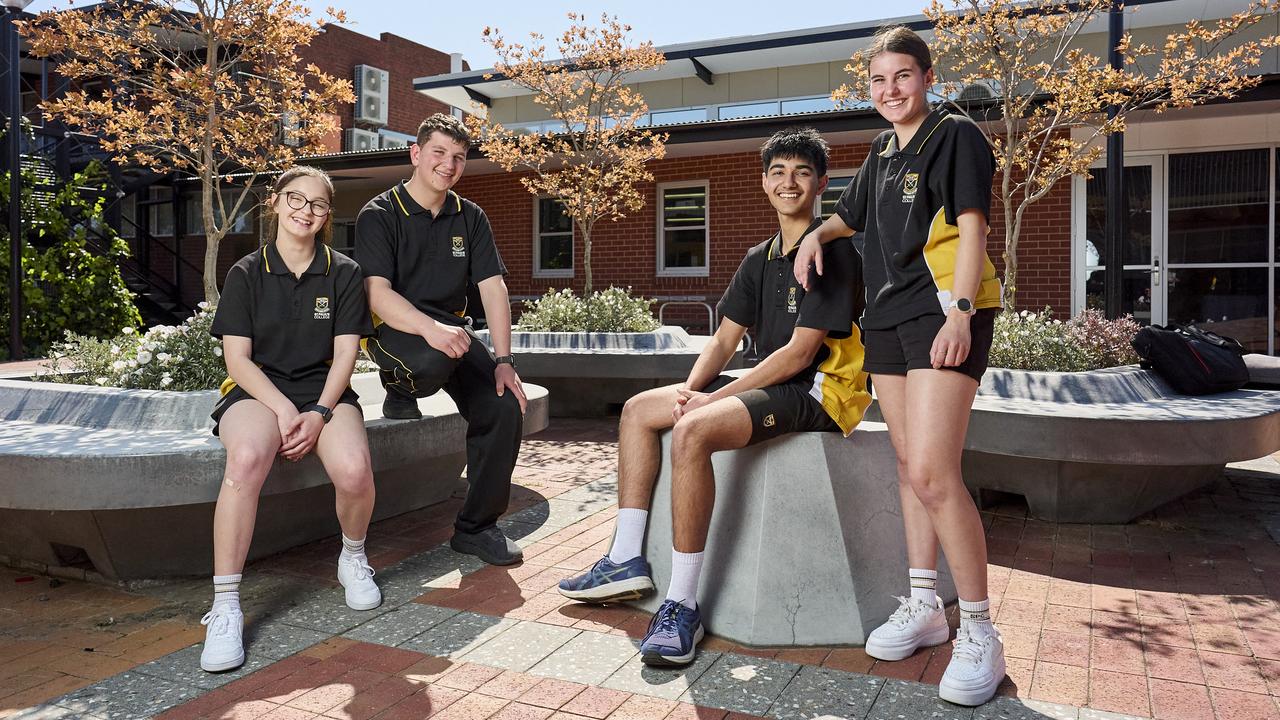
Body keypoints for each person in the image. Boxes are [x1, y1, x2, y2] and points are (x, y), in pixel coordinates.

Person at [557, 127, 871, 667]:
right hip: (773, 382)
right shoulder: (760, 257)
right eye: (778, 172)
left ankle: (681, 604)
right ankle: (626, 558)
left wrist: (702, 409)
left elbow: (799, 355)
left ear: (821, 184)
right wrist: (691, 390)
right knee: (638, 410)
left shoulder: (834, 252)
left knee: (693, 430)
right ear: (764, 183)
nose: (788, 182)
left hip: (822, 391)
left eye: (801, 172)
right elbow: (725, 340)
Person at [792, 26, 1006, 706]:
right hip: (884, 318)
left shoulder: (955, 135)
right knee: (910, 470)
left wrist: (962, 312)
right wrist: (812, 238)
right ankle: (924, 608)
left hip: (944, 311)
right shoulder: (883, 151)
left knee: (936, 473)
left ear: (927, 76)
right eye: (879, 81)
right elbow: (848, 219)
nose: (890, 90)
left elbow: (972, 226)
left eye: (903, 77)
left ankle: (979, 630)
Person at [201, 166, 378, 673]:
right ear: (274, 203)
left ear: (327, 215)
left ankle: (352, 555)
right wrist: (282, 409)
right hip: (258, 390)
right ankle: (226, 606)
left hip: (323, 389)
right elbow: (238, 361)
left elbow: (346, 355)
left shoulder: (343, 272)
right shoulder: (246, 273)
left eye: (318, 204)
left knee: (353, 471)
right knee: (249, 458)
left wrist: (320, 412)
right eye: (296, 199)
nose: (306, 211)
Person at [355, 113, 527, 566]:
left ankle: (477, 527)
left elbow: (493, 287)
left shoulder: (470, 217)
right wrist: (430, 329)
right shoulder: (379, 213)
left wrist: (504, 360)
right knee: (431, 361)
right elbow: (376, 292)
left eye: (458, 157)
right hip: (394, 326)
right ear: (415, 154)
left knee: (503, 402)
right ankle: (399, 387)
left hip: (451, 329)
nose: (448, 165)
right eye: (438, 153)